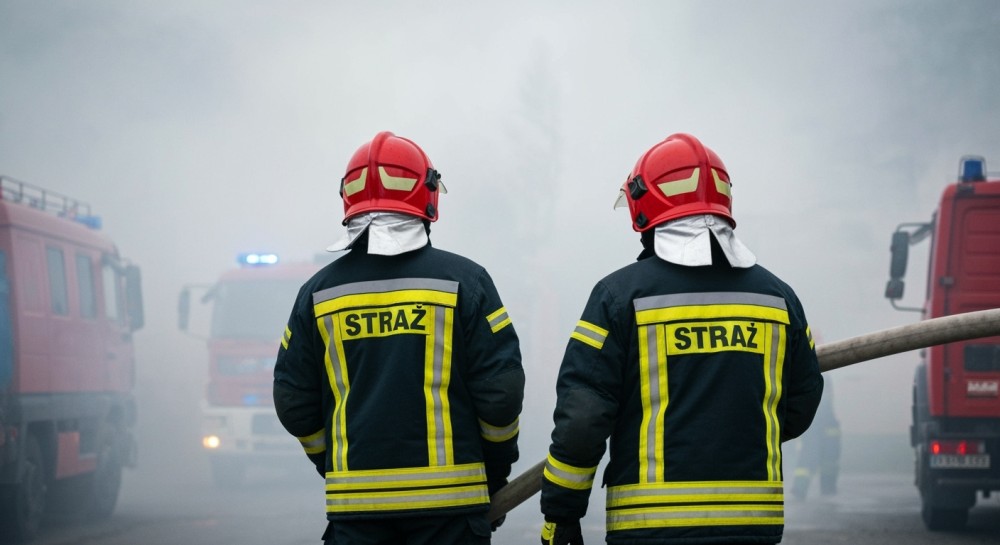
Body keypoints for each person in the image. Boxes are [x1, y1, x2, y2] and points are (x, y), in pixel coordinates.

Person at [539, 133, 824, 545]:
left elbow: (583, 419)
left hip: (649, 527)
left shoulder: (618, 298)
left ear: (643, 209)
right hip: (752, 526)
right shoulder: (778, 298)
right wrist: (734, 430)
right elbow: (802, 399)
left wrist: (561, 513)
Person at [273, 131, 525, 545]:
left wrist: (333, 464)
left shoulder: (316, 295)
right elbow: (501, 394)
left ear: (348, 200)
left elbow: (292, 401)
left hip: (356, 512)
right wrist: (494, 475)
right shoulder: (467, 282)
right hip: (451, 511)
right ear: (427, 196)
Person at [790, 377, 841, 500]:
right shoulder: (821, 378)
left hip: (816, 427)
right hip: (821, 428)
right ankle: (820, 489)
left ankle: (802, 488)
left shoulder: (814, 376)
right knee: (814, 459)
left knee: (813, 460)